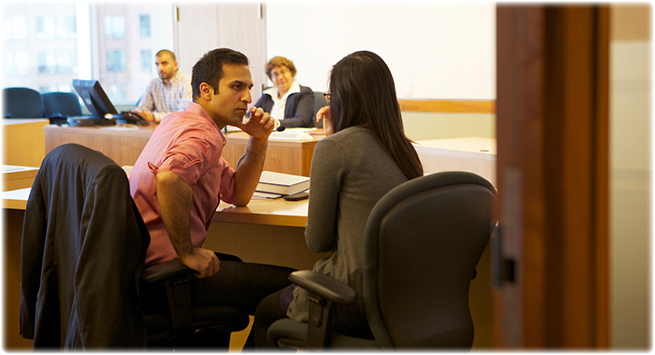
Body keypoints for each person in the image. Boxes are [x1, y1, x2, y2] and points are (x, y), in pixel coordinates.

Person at [248, 50, 424, 347]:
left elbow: (318, 242)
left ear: (342, 98)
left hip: (351, 298)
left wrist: (332, 140)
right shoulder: (404, 149)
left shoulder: (335, 148)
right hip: (402, 300)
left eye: (331, 95)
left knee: (266, 311)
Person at [128, 48, 294, 343]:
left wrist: (259, 139)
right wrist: (187, 252)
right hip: (165, 273)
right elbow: (169, 178)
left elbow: (238, 194)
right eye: (236, 87)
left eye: (249, 88)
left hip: (142, 267)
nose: (247, 97)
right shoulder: (201, 135)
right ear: (206, 91)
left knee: (236, 267)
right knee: (293, 290)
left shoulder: (182, 123)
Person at [252, 56, 315, 128]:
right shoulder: (268, 94)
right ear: (271, 78)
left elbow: (302, 120)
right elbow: (250, 115)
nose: (280, 77)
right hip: (269, 134)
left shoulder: (304, 92)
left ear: (292, 73)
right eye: (275, 74)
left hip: (292, 137)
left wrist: (275, 123)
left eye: (283, 72)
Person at [134, 49, 192, 123]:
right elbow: (142, 109)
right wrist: (138, 114)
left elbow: (183, 115)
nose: (160, 68)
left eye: (164, 63)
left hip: (180, 129)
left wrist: (154, 117)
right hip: (160, 129)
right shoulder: (153, 84)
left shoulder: (187, 82)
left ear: (175, 65)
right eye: (157, 64)